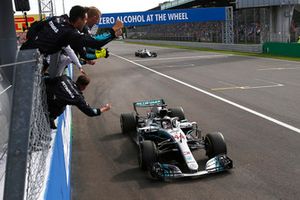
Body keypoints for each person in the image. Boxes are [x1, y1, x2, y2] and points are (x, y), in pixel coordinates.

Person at [45, 74, 111, 129]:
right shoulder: (78, 98)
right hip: (49, 106)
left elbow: (49, 80)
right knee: (63, 107)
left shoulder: (65, 78)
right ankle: (51, 117)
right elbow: (91, 112)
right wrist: (105, 108)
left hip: (44, 94)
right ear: (84, 87)